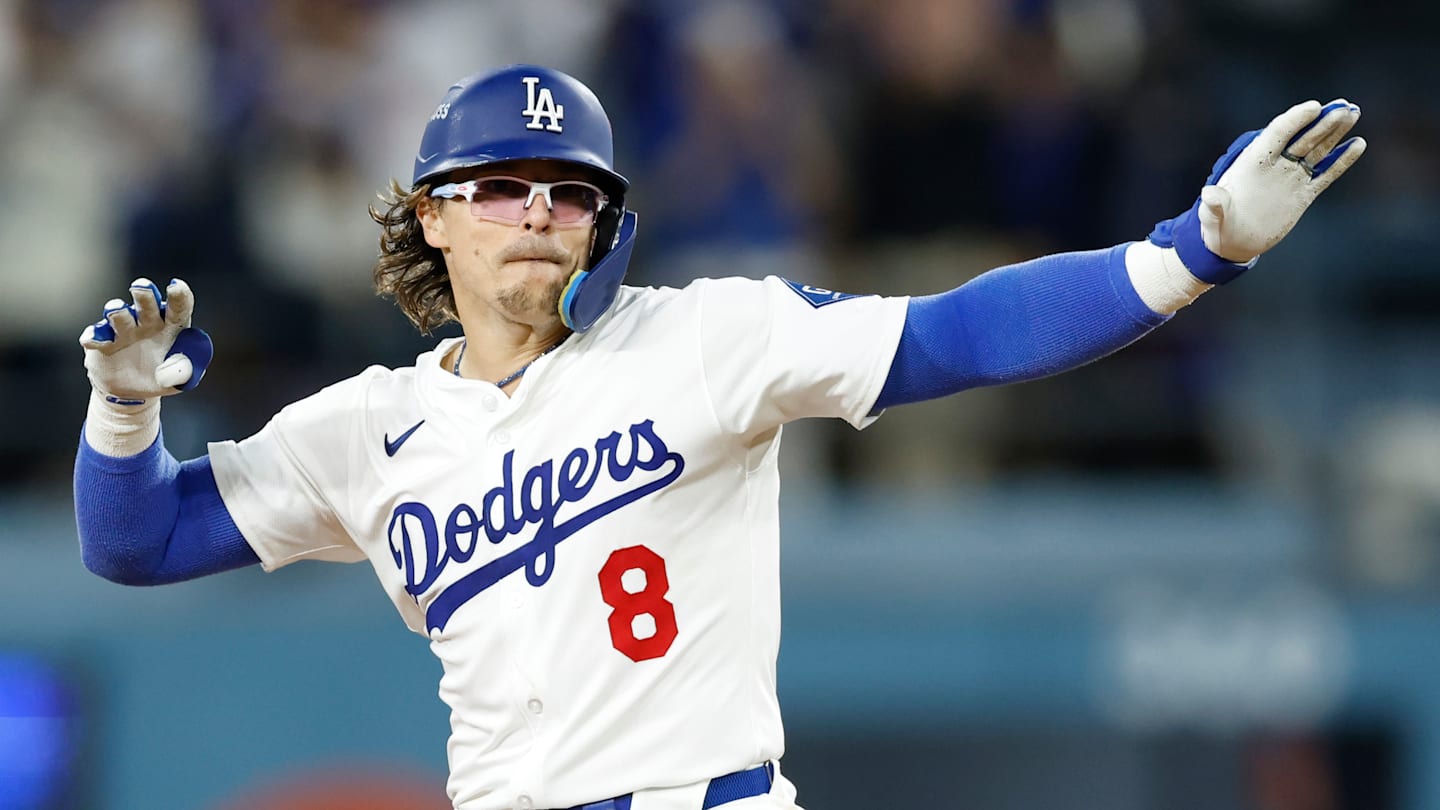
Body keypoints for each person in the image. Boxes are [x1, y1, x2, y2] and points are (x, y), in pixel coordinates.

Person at [73, 64, 1365, 810]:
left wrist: (1192, 252)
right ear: (434, 218)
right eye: (506, 187)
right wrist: (124, 411)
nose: (541, 209)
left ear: (604, 222)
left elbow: (958, 334)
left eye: (571, 189)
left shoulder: (702, 336)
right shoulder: (369, 427)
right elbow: (143, 542)